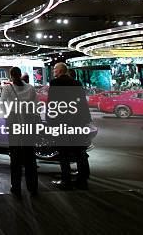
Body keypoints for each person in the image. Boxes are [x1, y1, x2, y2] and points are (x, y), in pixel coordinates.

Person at [47, 62, 92, 190]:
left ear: (60, 71)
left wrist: (50, 121)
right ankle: (83, 181)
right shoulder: (77, 84)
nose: (53, 71)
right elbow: (82, 104)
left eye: (55, 69)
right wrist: (86, 120)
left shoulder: (55, 83)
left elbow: (53, 104)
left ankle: (66, 181)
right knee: (80, 152)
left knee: (64, 153)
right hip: (78, 122)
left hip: (61, 122)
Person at [0, 67, 39, 196]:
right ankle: (32, 186)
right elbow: (35, 105)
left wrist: (8, 116)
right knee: (30, 156)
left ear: (11, 75)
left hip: (14, 122)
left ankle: (16, 187)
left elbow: (2, 104)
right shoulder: (30, 88)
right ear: (20, 75)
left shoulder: (7, 88)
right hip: (28, 122)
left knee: (15, 155)